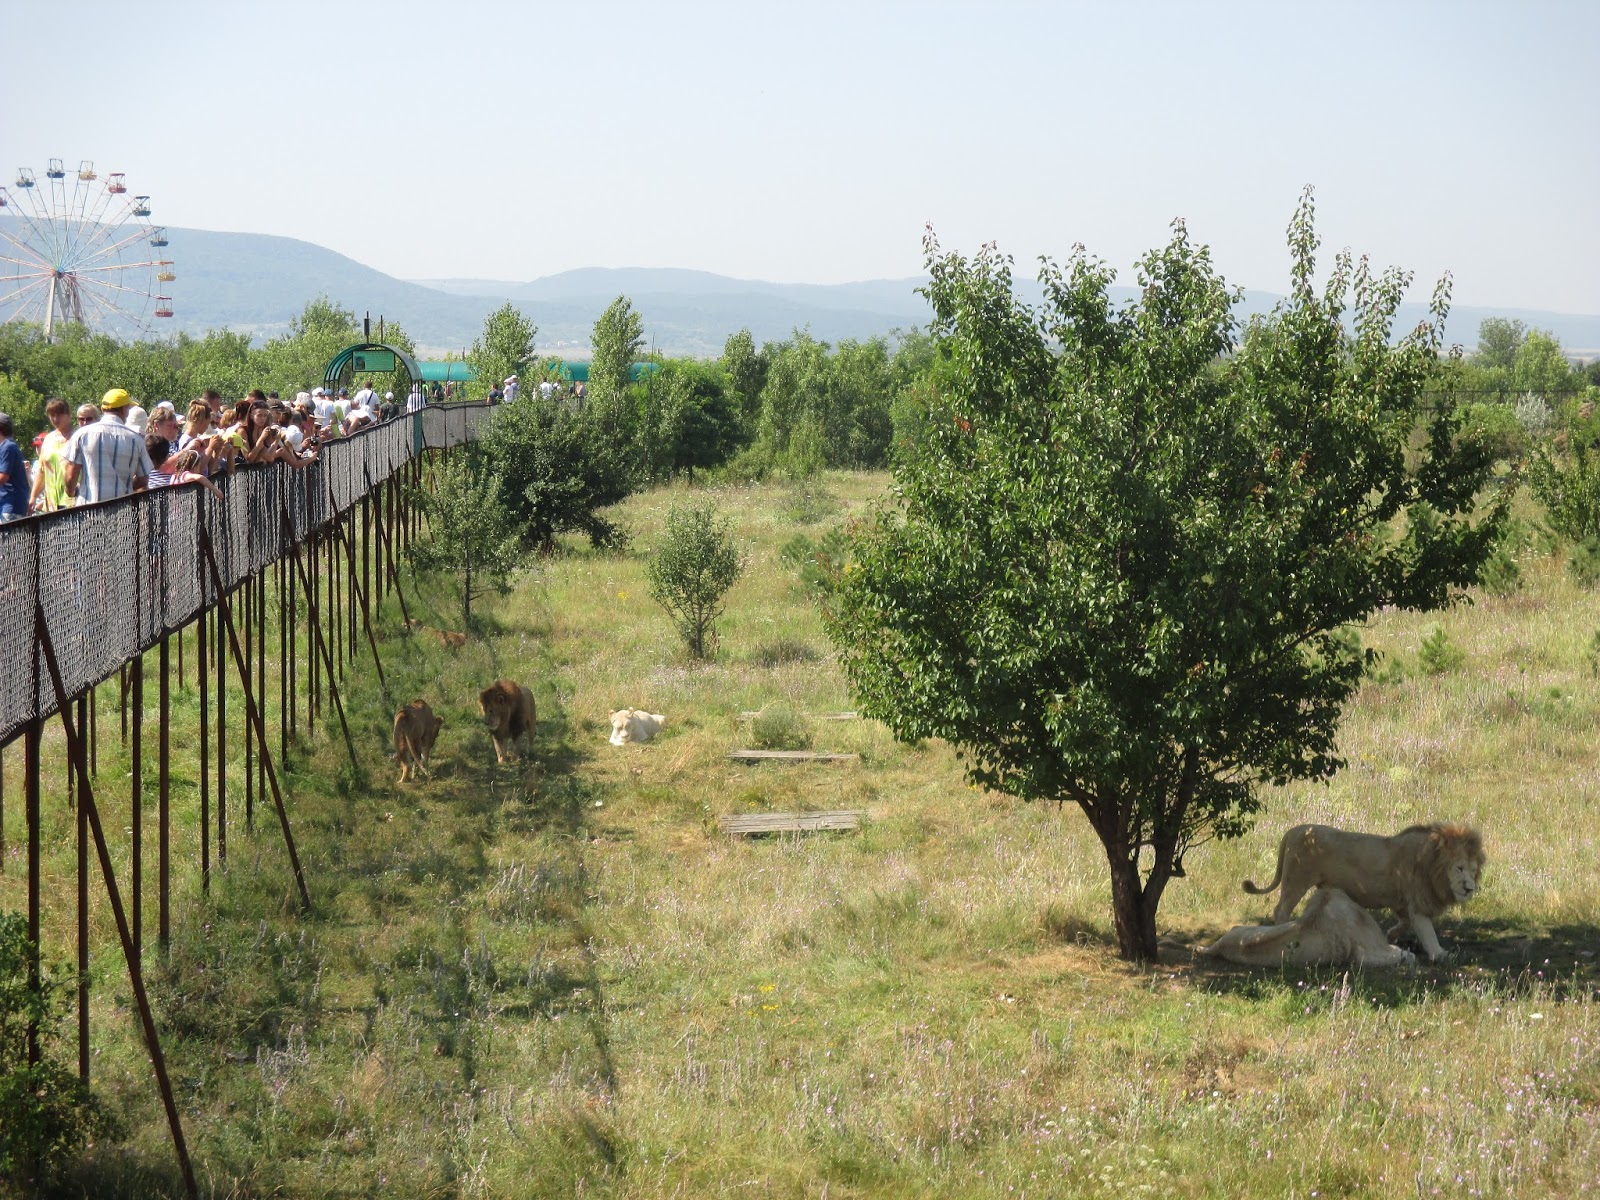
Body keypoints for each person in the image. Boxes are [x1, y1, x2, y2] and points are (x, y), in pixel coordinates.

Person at [63, 387, 153, 504]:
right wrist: (125, 488)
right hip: (122, 510)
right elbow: (143, 479)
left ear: (102, 409)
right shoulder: (135, 440)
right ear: (124, 410)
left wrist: (70, 491)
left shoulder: (82, 434)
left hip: (88, 509)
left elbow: (71, 474)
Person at [27, 397, 74, 513]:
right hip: (51, 502)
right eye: (51, 415)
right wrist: (33, 497)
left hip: (73, 500)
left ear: (68, 414)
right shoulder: (48, 439)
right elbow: (42, 471)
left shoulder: (77, 437)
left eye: (59, 414)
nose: (55, 419)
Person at [0, 412, 28, 521]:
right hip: (5, 504)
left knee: (7, 537)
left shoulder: (8, 447)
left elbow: (3, 477)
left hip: (11, 506)